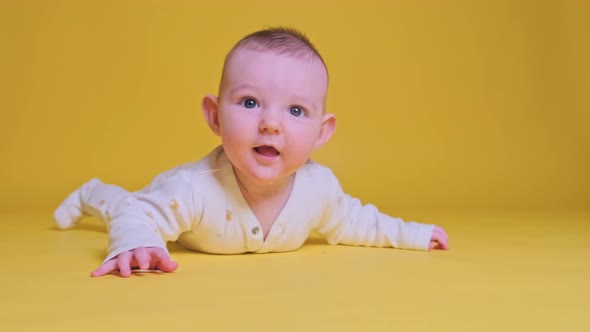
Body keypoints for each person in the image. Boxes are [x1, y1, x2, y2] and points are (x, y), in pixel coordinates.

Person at [54, 27, 449, 278]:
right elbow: (136, 214)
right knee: (123, 205)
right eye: (249, 103)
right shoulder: (192, 188)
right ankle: (93, 192)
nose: (271, 124)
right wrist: (138, 242)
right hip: (161, 208)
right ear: (215, 116)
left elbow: (358, 223)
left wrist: (414, 234)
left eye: (296, 111)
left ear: (321, 133)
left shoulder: (319, 189)